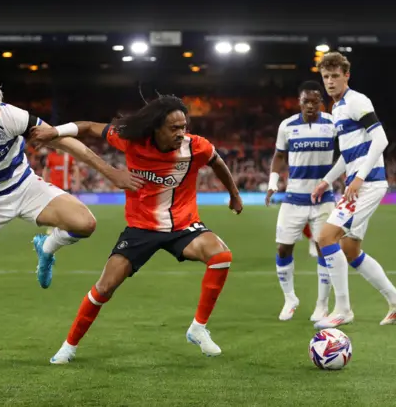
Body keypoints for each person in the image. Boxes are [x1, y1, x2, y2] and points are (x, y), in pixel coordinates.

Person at [0, 78, 143, 361]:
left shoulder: (10, 115)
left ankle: (46, 247)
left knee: (85, 224)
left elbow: (62, 140)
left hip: (24, 187)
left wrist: (111, 172)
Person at [30, 94, 243, 363]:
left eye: (184, 127)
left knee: (221, 256)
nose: (181, 133)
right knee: (104, 288)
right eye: (174, 128)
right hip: (141, 229)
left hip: (183, 225)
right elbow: (87, 127)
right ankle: (69, 346)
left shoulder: (196, 147)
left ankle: (198, 328)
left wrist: (234, 194)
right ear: (156, 127)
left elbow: (218, 163)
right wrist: (54, 131)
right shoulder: (130, 139)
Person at [311, 52, 396, 329]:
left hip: (367, 185)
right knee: (351, 250)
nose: (330, 82)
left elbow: (381, 139)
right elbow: (348, 154)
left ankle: (343, 309)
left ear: (346, 76)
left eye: (335, 76)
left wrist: (358, 178)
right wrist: (327, 179)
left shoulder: (356, 101)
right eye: (326, 77)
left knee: (326, 237)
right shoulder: (337, 108)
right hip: (359, 183)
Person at [265, 81, 335, 322]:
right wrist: (273, 183)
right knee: (283, 247)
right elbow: (279, 155)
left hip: (323, 199)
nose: (310, 106)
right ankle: (290, 298)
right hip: (294, 199)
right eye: (306, 101)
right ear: (299, 102)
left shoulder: (333, 124)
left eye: (315, 101)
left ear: (321, 103)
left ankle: (322, 304)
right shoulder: (287, 126)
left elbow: (345, 154)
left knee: (324, 250)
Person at [42, 149, 80, 234]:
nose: (59, 148)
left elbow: (75, 169)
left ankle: (66, 226)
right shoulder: (51, 156)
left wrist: (77, 183)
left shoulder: (68, 157)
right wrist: (44, 182)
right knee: (54, 208)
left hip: (66, 187)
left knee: (67, 208)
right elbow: (46, 169)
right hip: (54, 187)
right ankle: (52, 226)